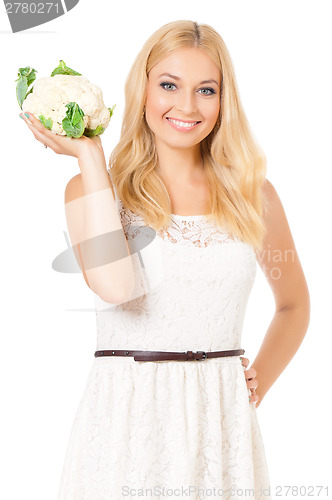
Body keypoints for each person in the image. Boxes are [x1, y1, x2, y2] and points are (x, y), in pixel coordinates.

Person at [20, 19, 310, 500]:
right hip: (126, 424)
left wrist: (259, 381)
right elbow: (116, 287)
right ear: (144, 90)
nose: (187, 106)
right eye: (170, 85)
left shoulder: (253, 195)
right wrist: (90, 158)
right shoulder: (90, 191)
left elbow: (294, 304)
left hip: (222, 426)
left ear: (223, 100)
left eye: (207, 89)